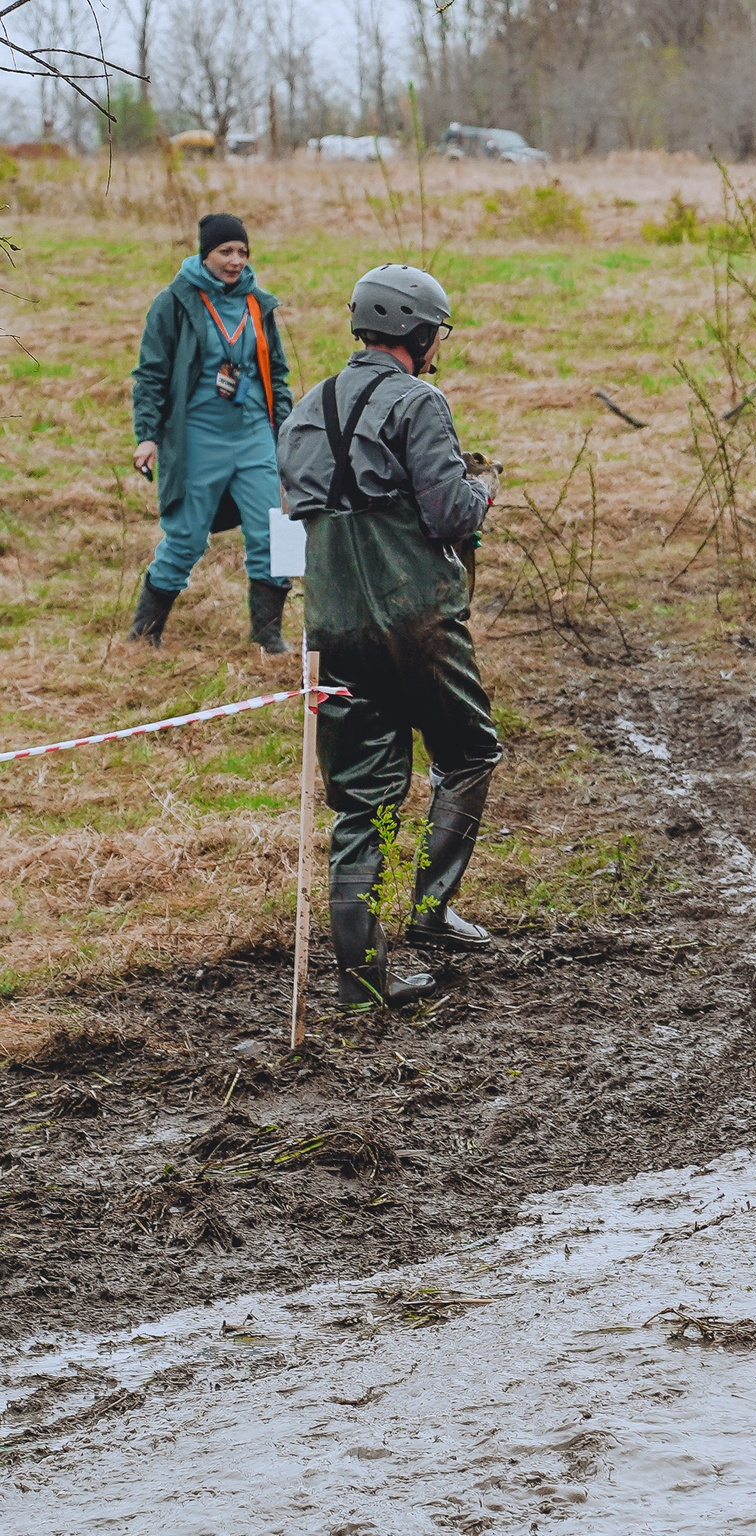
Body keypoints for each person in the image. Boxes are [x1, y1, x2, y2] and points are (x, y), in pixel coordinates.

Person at [275, 264, 503, 1012]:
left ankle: (362, 975)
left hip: (333, 622)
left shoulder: (305, 407)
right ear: (416, 331)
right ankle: (434, 909)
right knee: (469, 751)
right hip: (419, 619)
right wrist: (486, 487)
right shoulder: (420, 402)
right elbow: (450, 517)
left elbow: (298, 514)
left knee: (361, 797)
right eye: (436, 330)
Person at [129, 213, 295, 653]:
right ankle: (144, 634)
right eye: (226, 251)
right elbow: (150, 374)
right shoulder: (174, 302)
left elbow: (276, 372)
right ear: (205, 254)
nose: (235, 260)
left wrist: (285, 429)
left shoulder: (259, 304)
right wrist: (147, 435)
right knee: (186, 538)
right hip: (197, 436)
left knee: (273, 531)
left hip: (255, 432)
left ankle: (268, 636)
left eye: (242, 252)